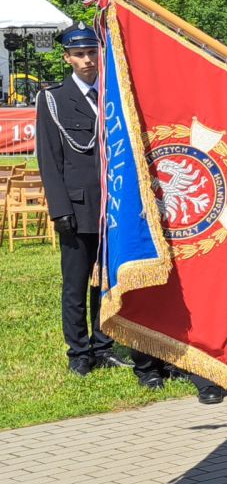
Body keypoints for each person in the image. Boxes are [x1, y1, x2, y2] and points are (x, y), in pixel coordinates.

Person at [36, 22, 132, 376]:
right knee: (76, 284)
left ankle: (103, 344)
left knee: (105, 281)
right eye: (79, 54)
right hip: (76, 207)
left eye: (92, 52)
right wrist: (59, 209)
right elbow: (49, 159)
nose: (88, 60)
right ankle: (79, 351)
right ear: (67, 58)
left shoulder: (112, 94)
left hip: (112, 206)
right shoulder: (54, 98)